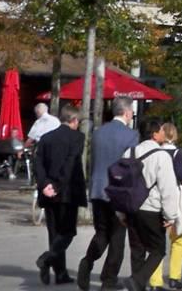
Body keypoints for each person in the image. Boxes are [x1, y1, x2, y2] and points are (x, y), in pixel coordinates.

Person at [79, 96, 139, 291]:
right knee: (117, 239)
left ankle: (87, 261)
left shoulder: (98, 133)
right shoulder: (131, 135)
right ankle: (109, 280)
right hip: (118, 192)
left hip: (98, 189)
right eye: (132, 112)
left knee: (102, 233)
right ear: (127, 112)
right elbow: (131, 167)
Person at [125, 117, 181, 291]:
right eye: (161, 130)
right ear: (155, 134)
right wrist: (171, 216)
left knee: (137, 250)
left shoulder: (129, 152)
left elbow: (121, 184)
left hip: (131, 208)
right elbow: (168, 188)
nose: (164, 132)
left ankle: (137, 285)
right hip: (151, 209)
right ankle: (137, 280)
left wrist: (120, 212)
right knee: (158, 250)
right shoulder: (161, 156)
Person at [35, 104, 86, 286]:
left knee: (54, 232)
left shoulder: (46, 138)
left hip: (48, 191)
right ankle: (48, 259)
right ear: (74, 120)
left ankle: (60, 272)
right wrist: (57, 185)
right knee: (68, 231)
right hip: (67, 191)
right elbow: (70, 163)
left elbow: (38, 163)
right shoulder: (77, 137)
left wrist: (44, 184)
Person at [148, 122, 182, 291]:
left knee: (156, 242)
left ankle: (155, 281)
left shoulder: (155, 152)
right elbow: (181, 174)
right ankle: (174, 277)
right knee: (178, 239)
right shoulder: (176, 153)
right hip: (173, 199)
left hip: (155, 199)